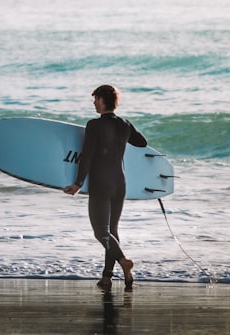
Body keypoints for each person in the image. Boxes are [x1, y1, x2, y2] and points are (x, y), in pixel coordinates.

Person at [64, 84, 148, 290]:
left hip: (101, 183)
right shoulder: (125, 124)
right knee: (112, 230)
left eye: (95, 99)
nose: (94, 103)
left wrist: (78, 183)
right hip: (120, 183)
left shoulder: (94, 125)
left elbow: (88, 155)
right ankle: (107, 277)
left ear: (103, 100)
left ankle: (123, 261)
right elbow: (142, 142)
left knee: (100, 232)